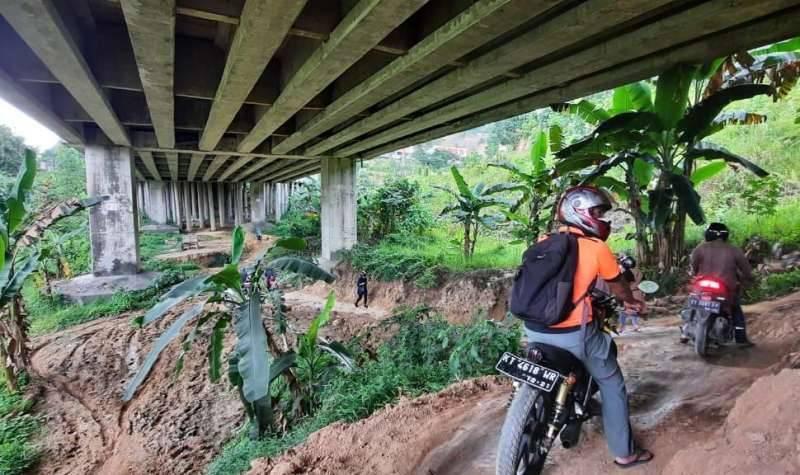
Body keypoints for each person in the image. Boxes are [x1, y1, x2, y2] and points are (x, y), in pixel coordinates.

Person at [524, 186, 652, 468]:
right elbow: (618, 286)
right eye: (596, 212)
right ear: (579, 214)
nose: (602, 218)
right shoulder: (596, 248)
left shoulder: (543, 240)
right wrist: (631, 303)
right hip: (573, 335)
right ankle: (625, 453)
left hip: (532, 328)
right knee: (612, 382)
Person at [690, 222, 754, 346]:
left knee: (691, 301)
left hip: (702, 285)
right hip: (725, 287)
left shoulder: (700, 248)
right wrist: (750, 278)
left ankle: (684, 331)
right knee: (735, 309)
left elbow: (693, 266)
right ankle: (741, 339)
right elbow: (746, 270)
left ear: (708, 234)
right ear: (726, 235)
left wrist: (694, 273)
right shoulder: (734, 250)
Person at [618, 254, 644, 333]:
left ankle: (623, 327)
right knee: (634, 309)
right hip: (638, 292)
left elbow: (623, 284)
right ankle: (635, 325)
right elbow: (645, 283)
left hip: (629, 293)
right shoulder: (639, 272)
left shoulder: (626, 273)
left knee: (625, 311)